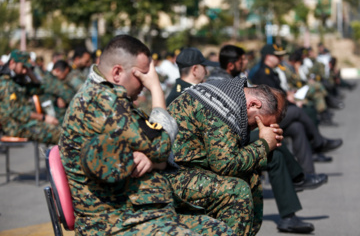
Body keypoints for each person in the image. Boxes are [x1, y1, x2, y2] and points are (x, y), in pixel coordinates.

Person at [59, 35, 234, 236]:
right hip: (113, 220)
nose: (145, 81)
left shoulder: (106, 96)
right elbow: (161, 145)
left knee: (221, 231)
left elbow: (153, 148)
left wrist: (153, 157)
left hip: (138, 208)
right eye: (142, 75)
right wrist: (156, 88)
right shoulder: (102, 102)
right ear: (117, 72)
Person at [204, 45, 324, 234]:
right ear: (231, 64)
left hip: (236, 131)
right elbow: (224, 151)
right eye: (242, 60)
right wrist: (262, 142)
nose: (246, 63)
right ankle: (301, 174)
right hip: (221, 143)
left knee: (293, 129)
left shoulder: (235, 79)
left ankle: (292, 202)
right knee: (276, 141)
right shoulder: (219, 81)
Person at [166, 71, 287, 235]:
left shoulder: (230, 96)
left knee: (252, 179)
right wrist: (264, 144)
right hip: (173, 175)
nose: (254, 129)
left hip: (192, 169)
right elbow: (225, 164)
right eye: (256, 124)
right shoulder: (220, 107)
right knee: (237, 191)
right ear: (254, 104)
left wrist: (266, 145)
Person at [252, 44, 343, 168]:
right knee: (298, 111)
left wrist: (289, 95)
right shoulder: (263, 73)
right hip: (270, 117)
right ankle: (319, 142)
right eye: (277, 56)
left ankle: (305, 174)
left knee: (297, 127)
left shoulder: (271, 71)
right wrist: (288, 98)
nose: (280, 59)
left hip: (277, 112)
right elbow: (270, 99)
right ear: (268, 57)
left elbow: (279, 91)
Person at [0, 50, 60, 144]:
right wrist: (44, 118)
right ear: (12, 63)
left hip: (25, 123)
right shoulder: (5, 83)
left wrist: (30, 74)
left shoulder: (17, 81)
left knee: (62, 130)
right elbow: (16, 112)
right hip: (15, 126)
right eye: (23, 67)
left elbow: (40, 90)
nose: (25, 70)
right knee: (58, 134)